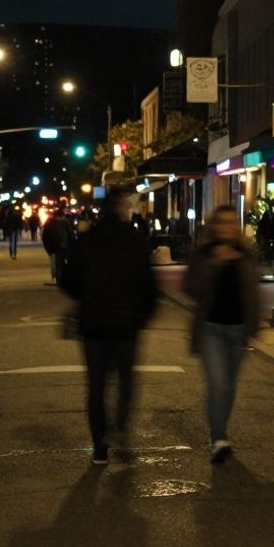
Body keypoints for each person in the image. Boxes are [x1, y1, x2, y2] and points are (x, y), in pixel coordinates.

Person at [61, 184, 159, 465]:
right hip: (127, 324)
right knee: (126, 381)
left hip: (93, 324)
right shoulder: (134, 240)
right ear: (124, 209)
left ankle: (99, 445)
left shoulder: (88, 240)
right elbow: (149, 285)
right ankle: (120, 428)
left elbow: (68, 280)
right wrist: (143, 315)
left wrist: (86, 298)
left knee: (96, 384)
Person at [185, 205, 260, 463]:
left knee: (229, 387)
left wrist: (255, 326)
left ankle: (220, 433)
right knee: (218, 383)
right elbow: (190, 288)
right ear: (215, 227)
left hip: (238, 331)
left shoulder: (246, 256)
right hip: (210, 329)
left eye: (232, 222)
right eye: (223, 222)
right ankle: (218, 439)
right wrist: (214, 264)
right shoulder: (204, 254)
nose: (228, 227)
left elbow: (253, 293)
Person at [42, 208, 76, 283]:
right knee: (63, 261)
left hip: (54, 245)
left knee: (57, 262)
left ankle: (58, 278)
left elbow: (45, 235)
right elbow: (71, 234)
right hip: (65, 245)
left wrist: (47, 246)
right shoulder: (66, 222)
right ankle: (63, 278)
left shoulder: (50, 222)